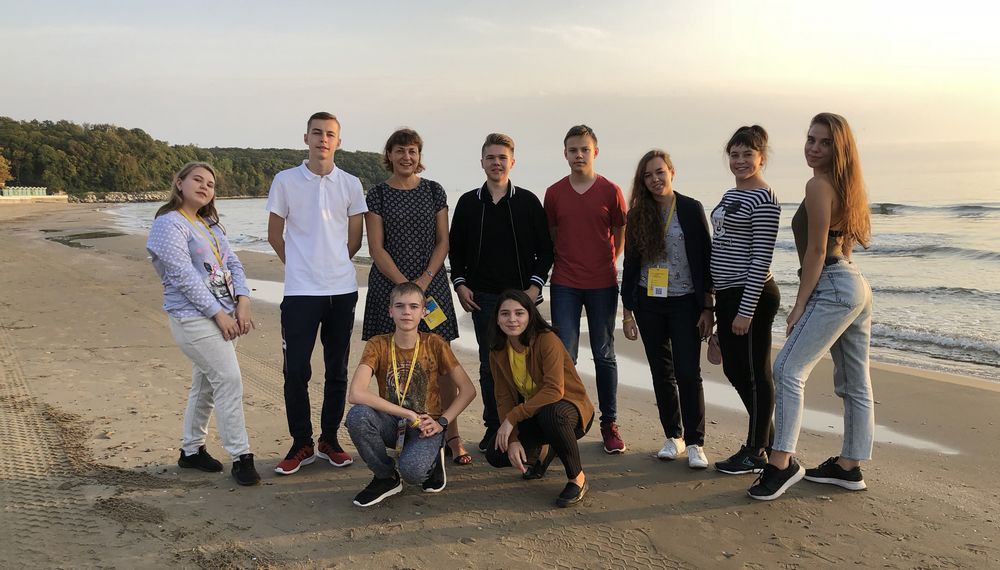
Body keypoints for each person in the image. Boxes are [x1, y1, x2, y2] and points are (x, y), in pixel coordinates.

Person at [748, 113, 874, 501]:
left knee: (788, 369)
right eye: (810, 139)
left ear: (839, 149)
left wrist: (800, 304)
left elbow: (818, 251)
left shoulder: (818, 185)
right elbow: (843, 246)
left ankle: (781, 462)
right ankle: (848, 466)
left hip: (833, 284)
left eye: (824, 142)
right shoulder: (846, 186)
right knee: (854, 381)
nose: (813, 148)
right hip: (855, 285)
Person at [147, 162, 261, 486]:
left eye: (210, 184)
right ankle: (241, 456)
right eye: (197, 180)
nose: (204, 187)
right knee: (228, 380)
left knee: (206, 386)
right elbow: (183, 276)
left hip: (224, 314)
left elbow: (233, 263)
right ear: (179, 183)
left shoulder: (209, 225)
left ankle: (191, 450)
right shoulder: (168, 224)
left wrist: (243, 300)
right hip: (193, 317)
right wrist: (218, 315)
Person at [266, 112, 367, 475]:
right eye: (317, 133)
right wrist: (300, 267)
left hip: (342, 290)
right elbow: (274, 235)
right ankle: (301, 443)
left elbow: (355, 240)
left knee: (336, 370)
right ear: (306, 138)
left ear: (338, 141)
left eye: (330, 134)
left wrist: (332, 265)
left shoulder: (351, 184)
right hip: (300, 293)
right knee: (296, 370)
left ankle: (329, 440)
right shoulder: (285, 180)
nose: (323, 139)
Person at [363, 128, 470, 464]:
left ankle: (451, 436)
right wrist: (404, 288)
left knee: (442, 363)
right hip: (389, 287)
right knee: (389, 364)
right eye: (399, 150)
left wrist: (423, 282)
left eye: (412, 151)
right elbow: (376, 248)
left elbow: (443, 242)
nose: (406, 157)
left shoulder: (434, 191)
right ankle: (398, 434)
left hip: (432, 286)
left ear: (419, 156)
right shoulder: (377, 194)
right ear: (389, 155)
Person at [449, 132, 554, 454]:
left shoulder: (528, 202)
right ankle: (494, 426)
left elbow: (546, 250)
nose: (496, 163)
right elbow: (456, 249)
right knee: (490, 365)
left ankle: (528, 428)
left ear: (512, 162)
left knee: (527, 364)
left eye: (502, 158)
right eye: (491, 157)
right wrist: (460, 284)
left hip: (521, 299)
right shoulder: (469, 202)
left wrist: (534, 287)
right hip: (483, 298)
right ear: (482, 162)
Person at [620, 150, 714, 469]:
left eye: (660, 172)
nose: (655, 179)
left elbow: (705, 259)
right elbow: (630, 264)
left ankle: (696, 442)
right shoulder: (637, 215)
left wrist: (708, 307)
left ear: (672, 172)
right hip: (648, 302)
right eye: (648, 175)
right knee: (661, 373)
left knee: (688, 372)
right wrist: (627, 312)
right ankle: (673, 436)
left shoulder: (690, 208)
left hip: (685, 302)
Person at [346, 282, 477, 507]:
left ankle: (434, 456)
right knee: (357, 416)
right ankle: (386, 477)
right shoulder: (377, 344)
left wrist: (442, 423)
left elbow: (468, 390)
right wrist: (406, 413)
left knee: (413, 474)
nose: (407, 312)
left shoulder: (435, 343)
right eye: (400, 306)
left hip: (427, 425)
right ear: (390, 311)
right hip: (392, 422)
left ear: (424, 311)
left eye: (414, 306)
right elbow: (356, 393)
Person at [543, 124, 628, 454]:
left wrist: (607, 261)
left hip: (602, 284)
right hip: (565, 283)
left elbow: (620, 233)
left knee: (604, 354)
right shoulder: (554, 193)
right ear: (565, 154)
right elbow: (553, 233)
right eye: (573, 150)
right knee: (565, 355)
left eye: (584, 149)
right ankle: (566, 420)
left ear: (595, 152)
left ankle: (609, 423)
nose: (579, 155)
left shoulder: (611, 191)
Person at [708, 125, 782, 476]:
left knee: (754, 373)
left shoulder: (765, 199)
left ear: (761, 157)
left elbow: (760, 258)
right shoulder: (730, 194)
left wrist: (745, 311)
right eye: (734, 154)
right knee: (734, 369)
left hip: (751, 295)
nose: (739, 160)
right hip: (727, 293)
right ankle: (769, 441)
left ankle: (756, 451)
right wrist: (712, 298)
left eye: (747, 154)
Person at [485, 289, 595, 507]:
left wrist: (512, 418)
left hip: (570, 411)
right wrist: (513, 439)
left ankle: (577, 478)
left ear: (530, 315)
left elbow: (554, 390)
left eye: (519, 313)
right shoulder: (498, 351)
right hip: (537, 412)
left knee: (552, 413)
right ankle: (547, 448)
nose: (512, 319)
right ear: (497, 319)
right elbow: (503, 397)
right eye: (505, 314)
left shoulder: (546, 339)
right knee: (496, 454)